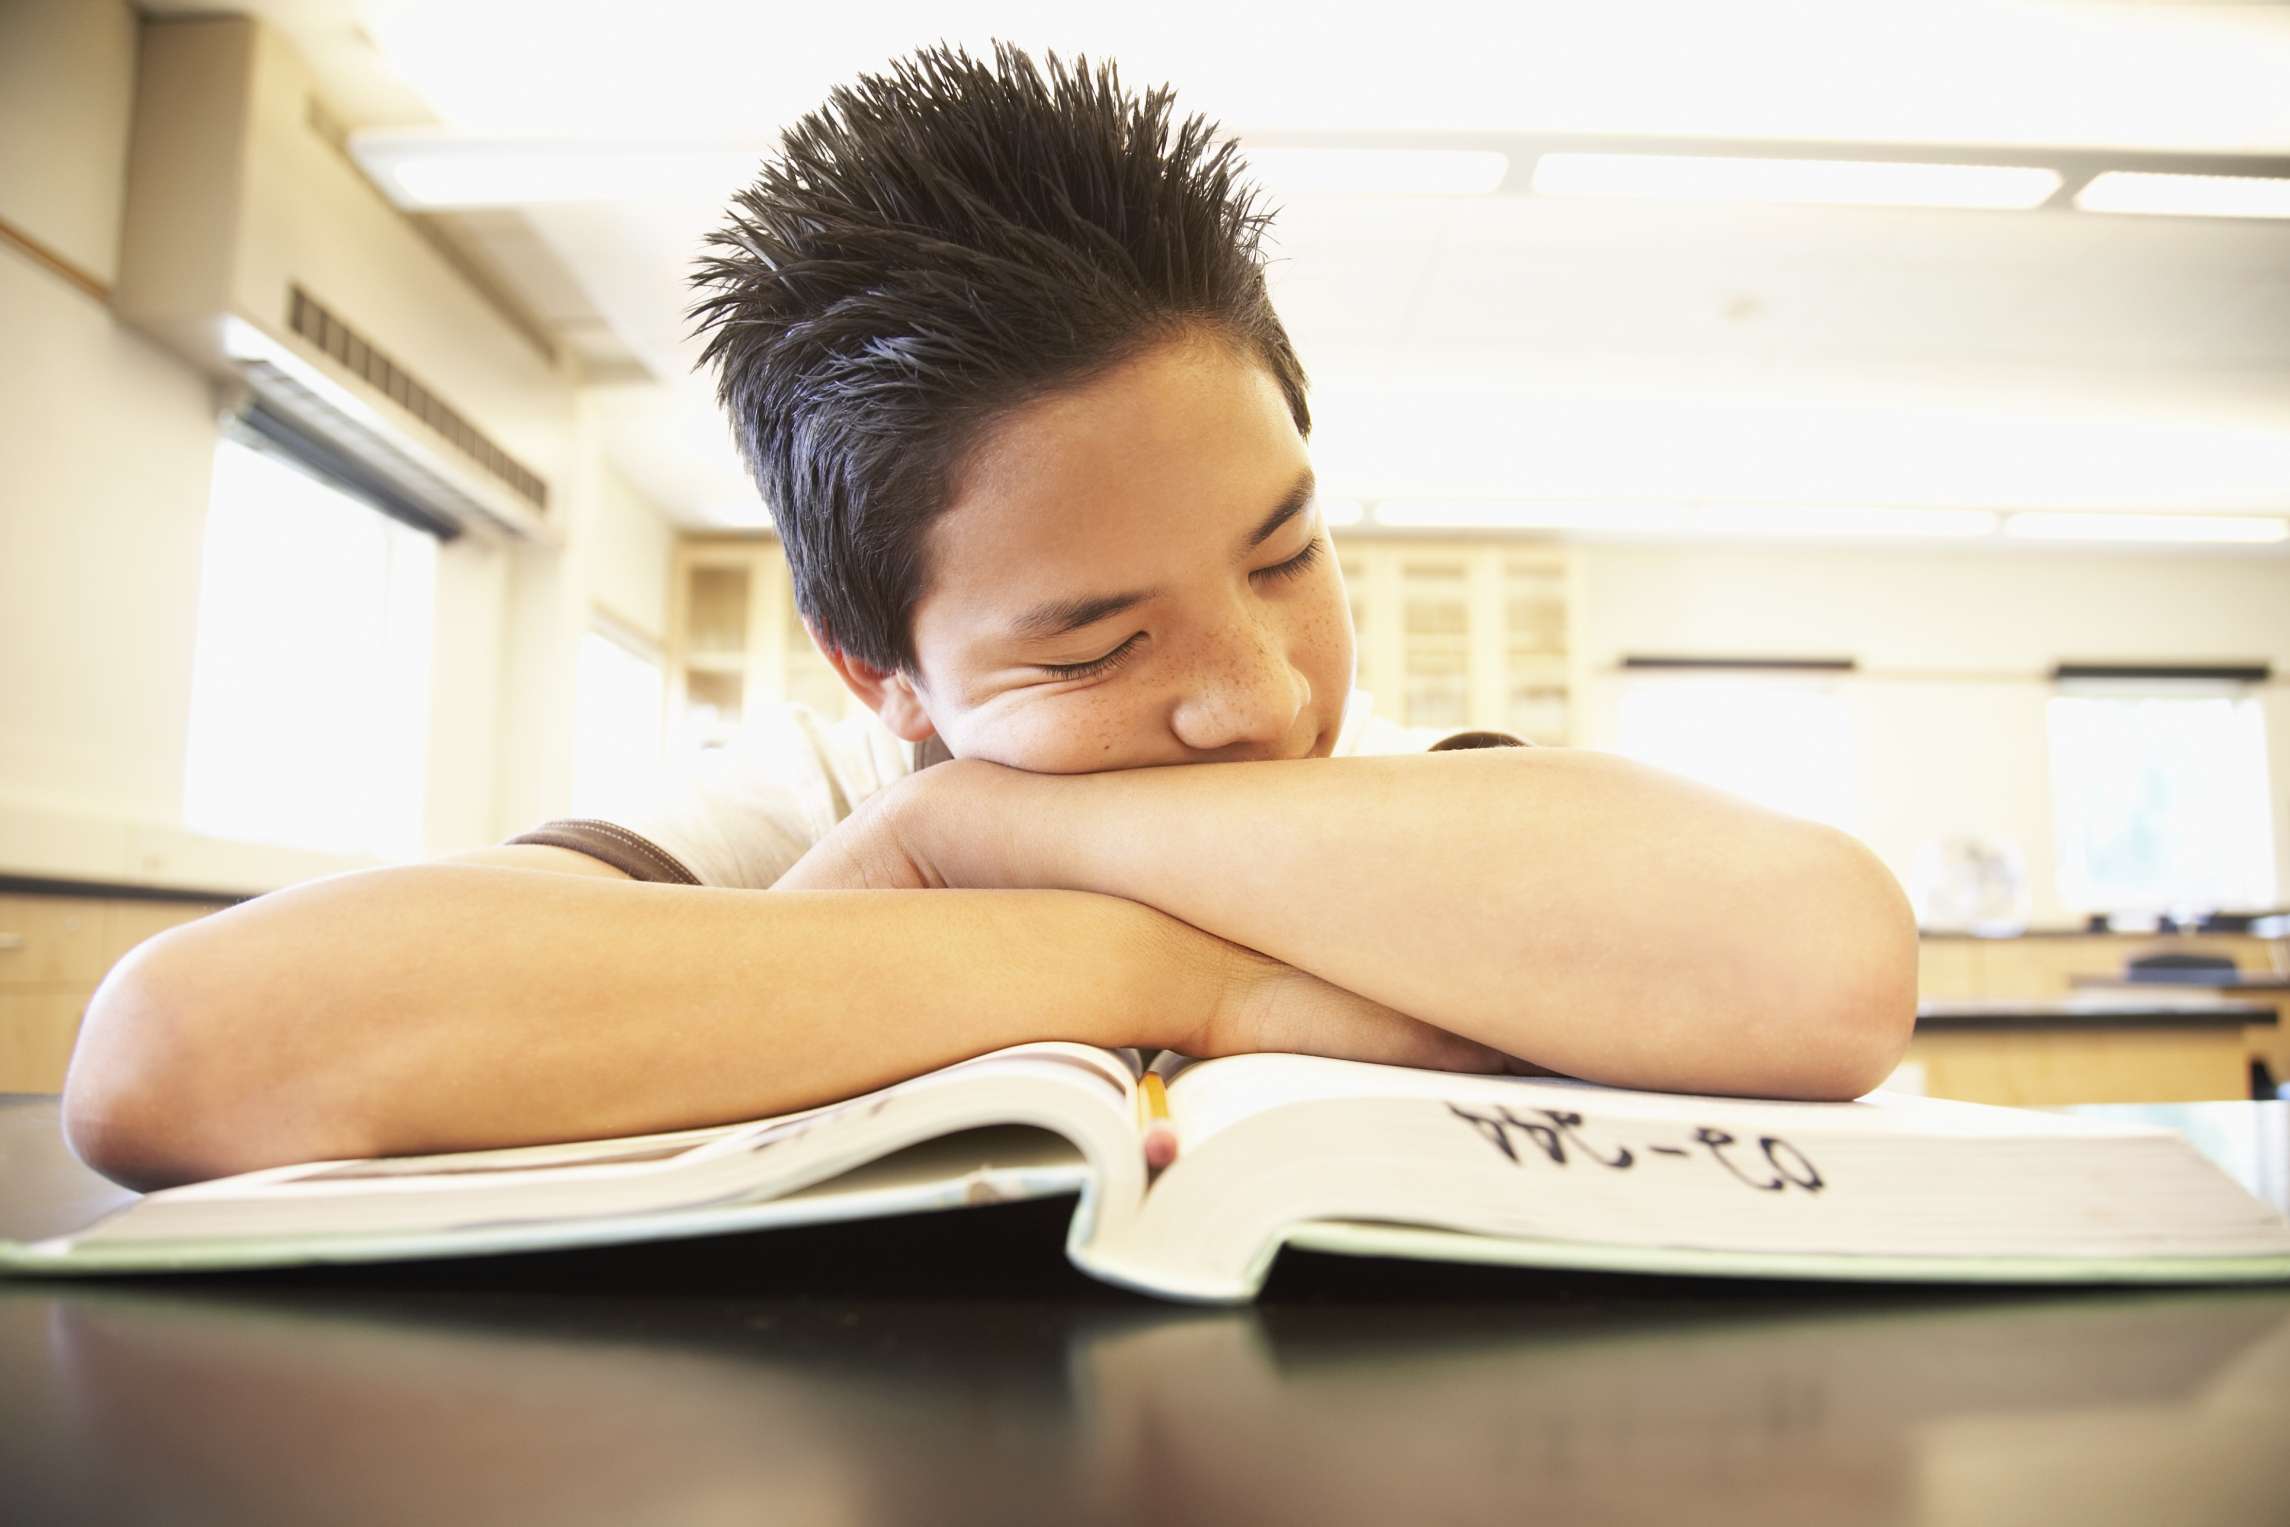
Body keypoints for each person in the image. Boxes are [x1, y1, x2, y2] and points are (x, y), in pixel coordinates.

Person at [62, 41, 1916, 1193]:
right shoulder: (794, 803)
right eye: (1098, 648)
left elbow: (1824, 964)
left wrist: (1001, 821)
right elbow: (182, 1060)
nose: (1261, 701)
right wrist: (1165, 973)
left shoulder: (1403, 809)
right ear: (885, 677)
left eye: (1282, 554)